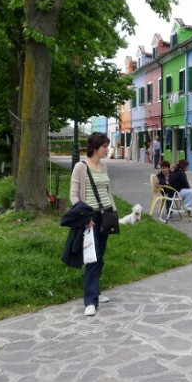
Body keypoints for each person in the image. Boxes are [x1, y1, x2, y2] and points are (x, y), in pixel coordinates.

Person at [69, 132, 117, 316]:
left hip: (106, 215)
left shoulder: (104, 167)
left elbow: (107, 190)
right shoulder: (80, 167)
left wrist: (114, 210)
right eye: (105, 146)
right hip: (90, 218)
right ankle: (90, 300)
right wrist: (84, 216)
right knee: (92, 257)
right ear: (95, 147)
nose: (107, 149)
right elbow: (74, 194)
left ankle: (95, 290)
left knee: (101, 254)